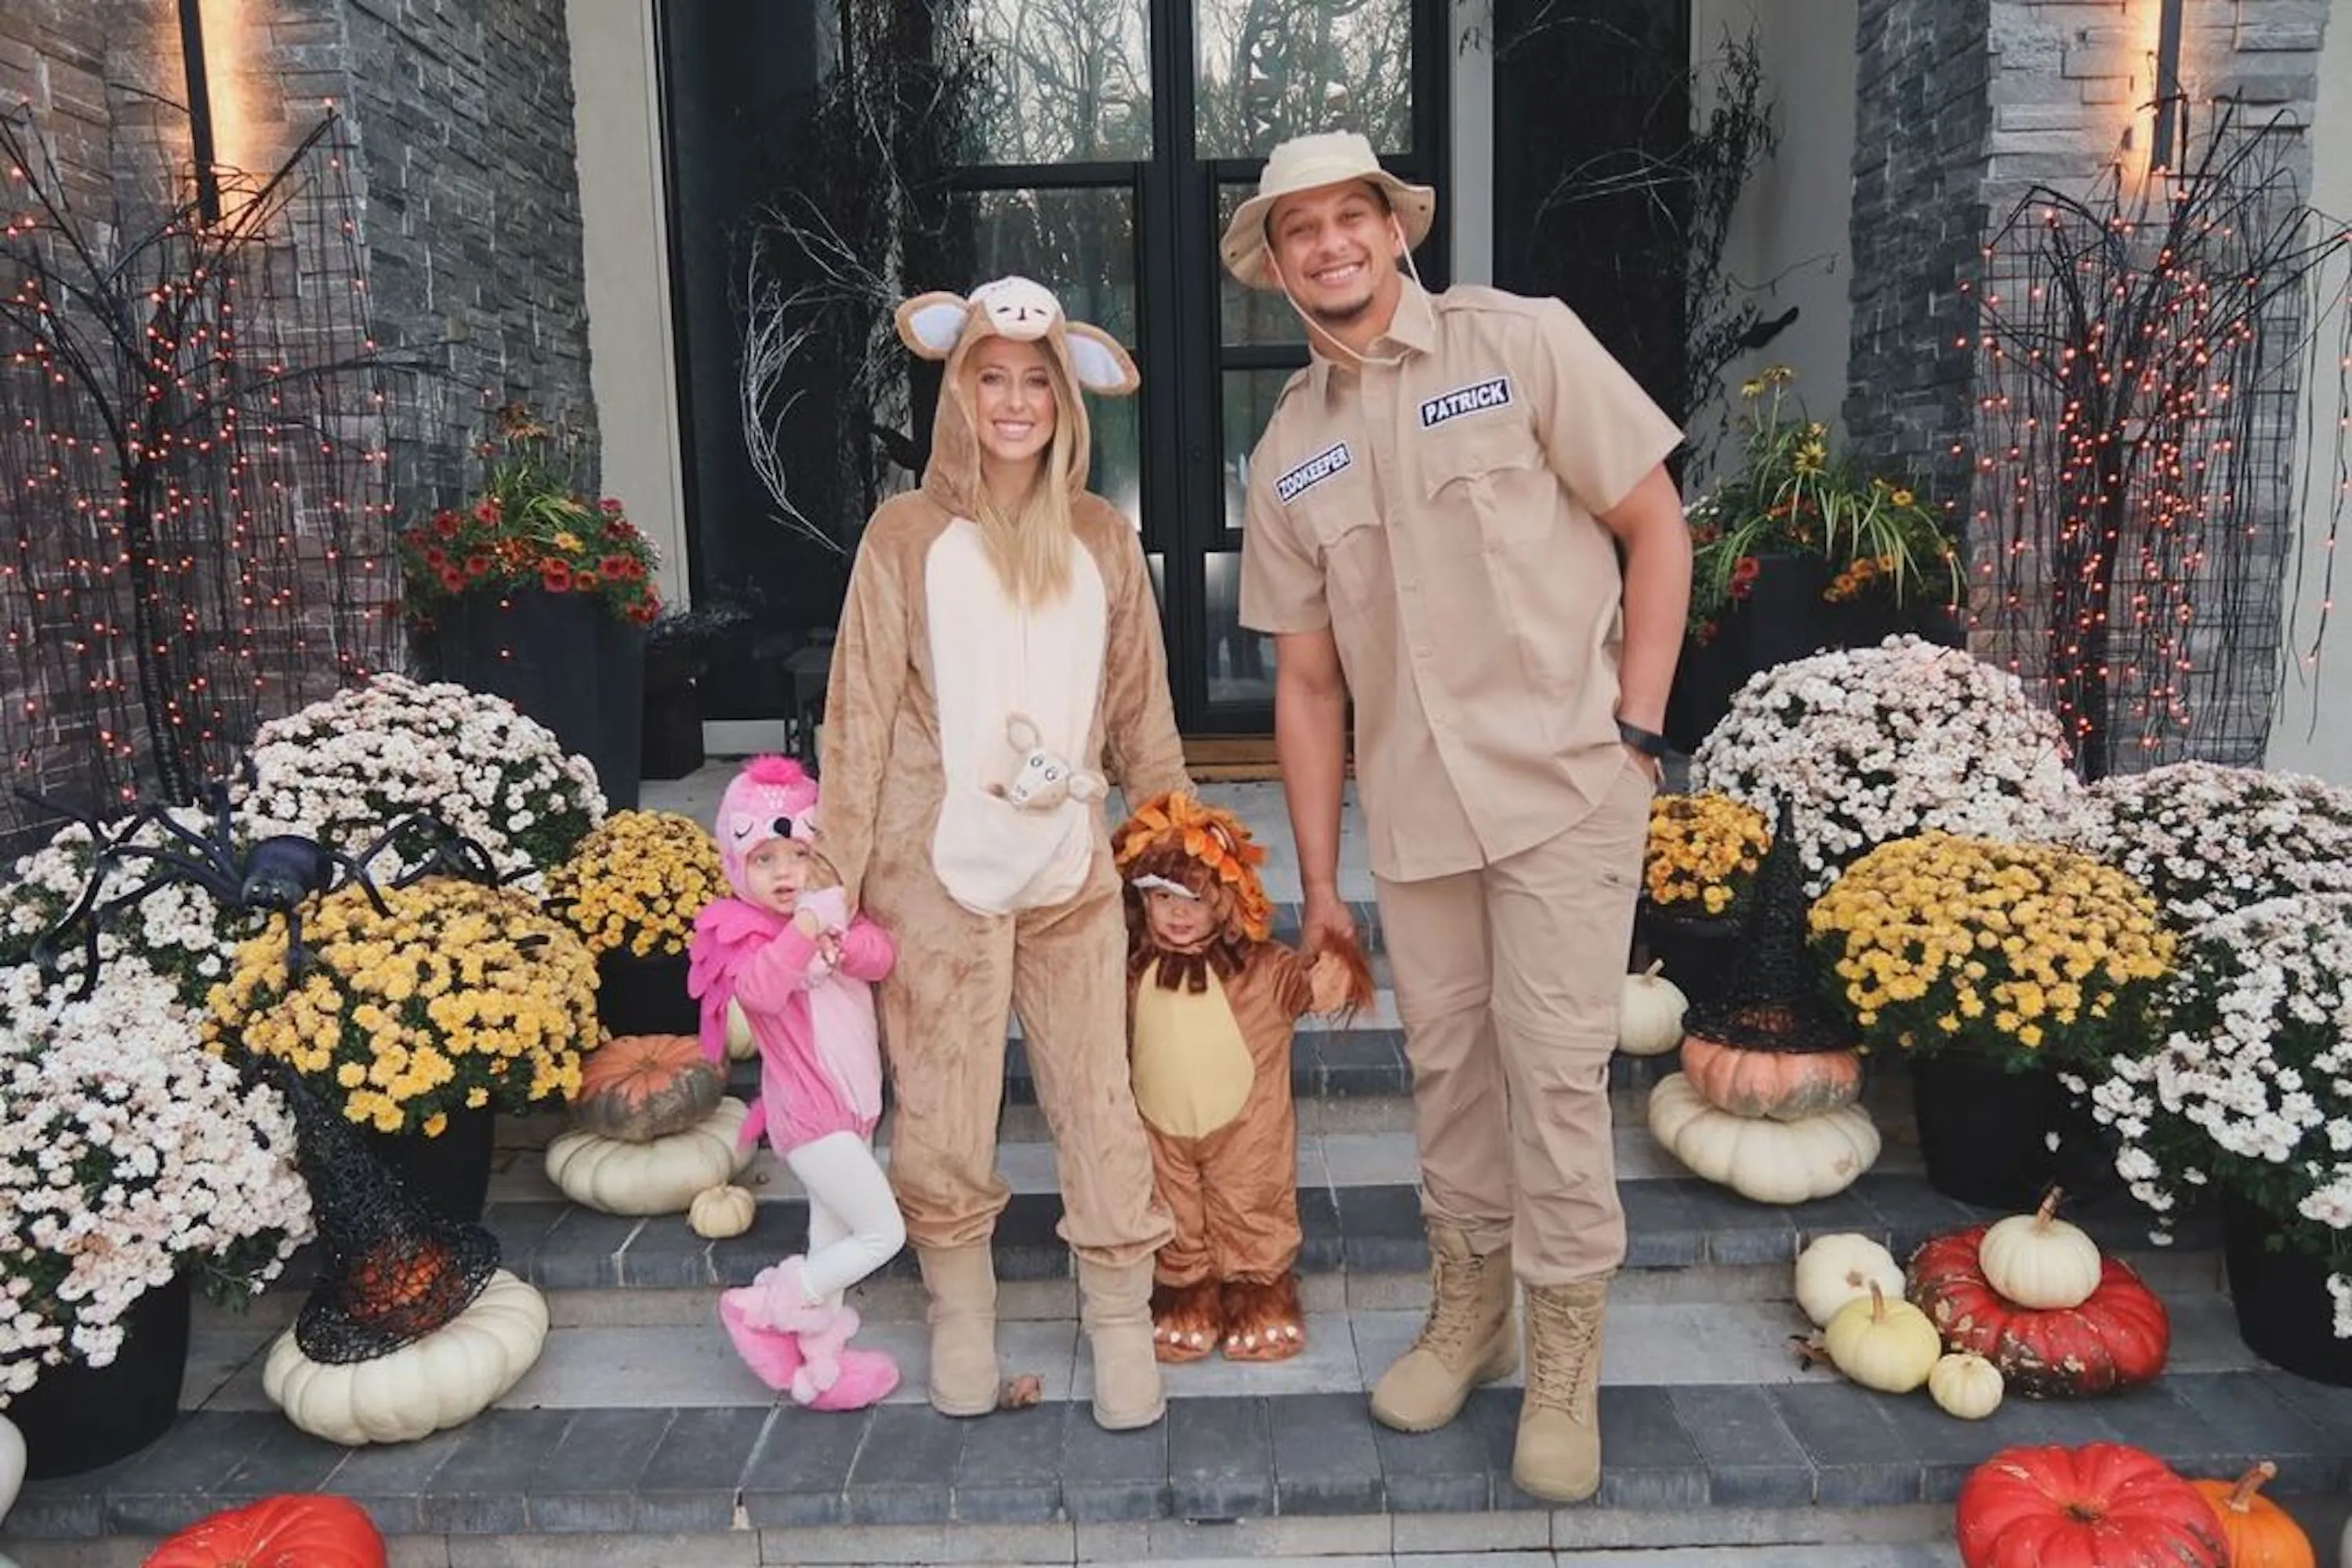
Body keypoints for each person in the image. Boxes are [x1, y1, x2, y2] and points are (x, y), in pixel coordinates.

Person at [1223, 130, 1692, 1502]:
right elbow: (1306, 687)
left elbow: (1655, 522)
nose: (1328, 245)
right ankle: (1470, 1311)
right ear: (1274, 266)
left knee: (1552, 1076)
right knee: (1449, 1078)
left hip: (1563, 789)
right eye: (1297, 228)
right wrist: (1320, 883)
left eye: (1347, 215)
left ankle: (1561, 1357)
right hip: (1419, 821)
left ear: (1391, 227)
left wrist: (1641, 732)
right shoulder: (1286, 457)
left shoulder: (1521, 343)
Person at [815, 276, 1194, 1431]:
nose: (1016, 401)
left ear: (1068, 397)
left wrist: (1182, 854)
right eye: (992, 378)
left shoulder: (1100, 536)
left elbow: (1143, 713)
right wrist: (832, 876)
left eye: (1037, 381)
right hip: (934, 869)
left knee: (1098, 1093)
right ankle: (961, 1316)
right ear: (958, 387)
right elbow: (860, 711)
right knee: (940, 1101)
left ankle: (1121, 1317)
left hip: (1070, 868)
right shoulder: (904, 535)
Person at [1111, 790, 1372, 1364]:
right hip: (1161, 1127)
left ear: (1227, 901)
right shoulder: (1128, 968)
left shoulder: (1263, 969)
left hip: (1247, 1128)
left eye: (1196, 900)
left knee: (1253, 1201)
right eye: (1161, 898)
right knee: (1171, 1209)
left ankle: (1260, 1299)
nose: (1178, 915)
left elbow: (1317, 991)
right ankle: (1185, 1299)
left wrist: (1335, 958)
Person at [688, 754, 902, 1412]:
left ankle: (821, 1369)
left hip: (854, 1107)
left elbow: (881, 955)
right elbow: (761, 991)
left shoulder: (835, 915)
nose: (786, 873)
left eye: (799, 855)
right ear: (736, 867)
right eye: (764, 859)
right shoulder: (746, 937)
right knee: (882, 1234)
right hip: (811, 1118)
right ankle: (767, 1305)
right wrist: (806, 930)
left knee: (831, 1239)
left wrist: (837, 936)